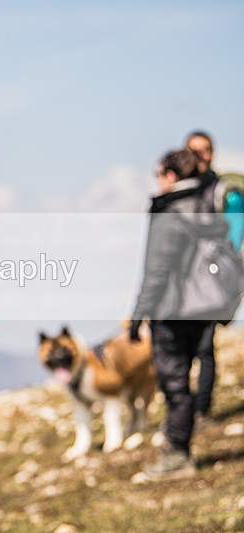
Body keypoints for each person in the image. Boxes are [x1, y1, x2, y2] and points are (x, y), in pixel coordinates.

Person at [129, 148, 216, 480]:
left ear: (170, 175)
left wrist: (138, 315)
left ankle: (178, 455)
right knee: (185, 376)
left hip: (172, 309)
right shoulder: (205, 203)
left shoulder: (169, 210)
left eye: (159, 174)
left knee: (174, 382)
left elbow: (157, 271)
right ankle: (178, 445)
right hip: (204, 307)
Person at [184, 130, 244, 423]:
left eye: (205, 149)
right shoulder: (181, 192)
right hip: (183, 282)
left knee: (205, 345)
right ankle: (184, 410)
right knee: (181, 349)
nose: (200, 155)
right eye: (194, 150)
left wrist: (222, 270)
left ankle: (201, 409)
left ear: (212, 153)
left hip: (212, 280)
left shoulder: (224, 192)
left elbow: (235, 232)